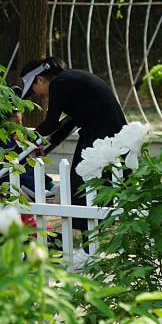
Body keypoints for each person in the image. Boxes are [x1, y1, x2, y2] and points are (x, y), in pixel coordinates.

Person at [20, 57, 127, 223]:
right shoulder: (72, 79)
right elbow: (72, 120)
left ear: (40, 79)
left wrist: (28, 139)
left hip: (100, 133)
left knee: (81, 185)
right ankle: (92, 238)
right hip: (111, 131)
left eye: (33, 90)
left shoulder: (59, 84)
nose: (36, 95)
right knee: (112, 182)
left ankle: (87, 241)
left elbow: (51, 123)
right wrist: (51, 139)